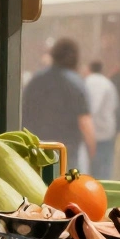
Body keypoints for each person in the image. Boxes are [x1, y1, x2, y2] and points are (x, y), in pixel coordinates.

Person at [23, 39, 96, 171]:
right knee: (67, 188)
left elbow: (24, 112)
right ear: (76, 58)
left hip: (36, 150)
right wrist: (92, 150)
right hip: (66, 153)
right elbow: (85, 122)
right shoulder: (76, 84)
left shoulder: (35, 80)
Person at [85, 61, 120, 179]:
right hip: (106, 130)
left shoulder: (88, 82)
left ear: (89, 69)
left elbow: (90, 108)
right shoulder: (107, 83)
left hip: (93, 132)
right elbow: (115, 107)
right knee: (104, 170)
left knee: (94, 171)